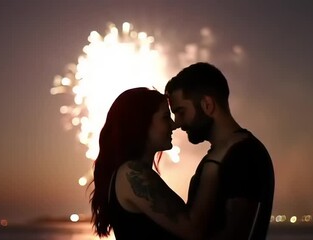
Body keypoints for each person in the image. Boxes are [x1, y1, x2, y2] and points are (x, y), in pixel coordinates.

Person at [89, 87, 245, 240]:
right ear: (141, 123)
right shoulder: (131, 173)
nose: (174, 125)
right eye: (165, 117)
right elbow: (193, 229)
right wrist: (215, 161)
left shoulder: (132, 172)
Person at [165, 62, 275, 240]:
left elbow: (235, 233)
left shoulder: (243, 155)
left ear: (207, 104)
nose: (177, 123)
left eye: (181, 112)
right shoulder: (227, 154)